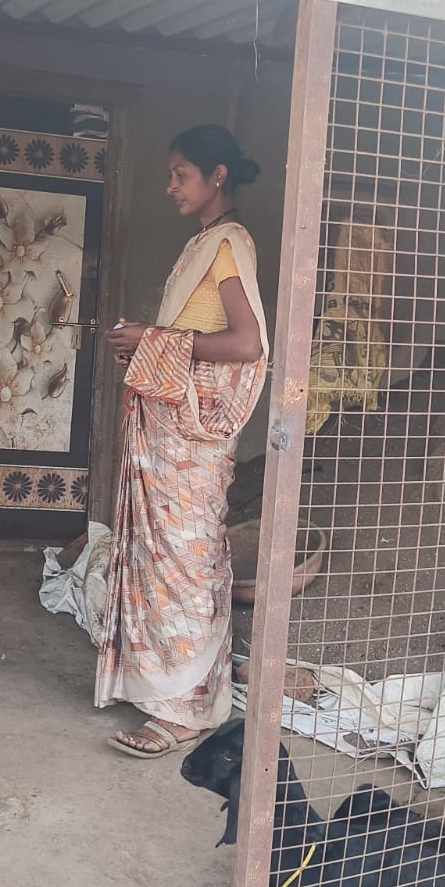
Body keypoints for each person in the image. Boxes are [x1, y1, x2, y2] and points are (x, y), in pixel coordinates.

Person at [97, 124, 271, 757]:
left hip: (191, 442)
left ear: (216, 176)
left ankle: (185, 710)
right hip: (170, 432)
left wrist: (155, 340)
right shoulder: (204, 242)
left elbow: (247, 344)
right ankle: (175, 686)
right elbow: (191, 343)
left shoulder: (228, 244)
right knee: (166, 560)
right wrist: (149, 346)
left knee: (185, 563)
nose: (170, 185)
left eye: (181, 174)